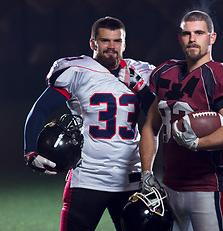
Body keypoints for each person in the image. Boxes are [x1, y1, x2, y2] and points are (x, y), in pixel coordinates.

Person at [23, 16, 155, 231]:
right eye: (105, 41)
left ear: (124, 43)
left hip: (131, 178)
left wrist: (140, 88)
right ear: (93, 43)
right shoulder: (78, 71)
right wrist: (30, 151)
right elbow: (40, 110)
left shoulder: (139, 73)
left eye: (117, 41)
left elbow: (157, 118)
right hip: (88, 177)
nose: (111, 47)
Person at [139, 10, 223, 231]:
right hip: (170, 187)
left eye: (199, 33)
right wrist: (146, 172)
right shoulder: (166, 73)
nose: (192, 39)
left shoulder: (219, 76)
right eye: (186, 33)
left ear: (212, 38)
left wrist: (198, 144)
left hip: (207, 188)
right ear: (180, 38)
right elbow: (150, 128)